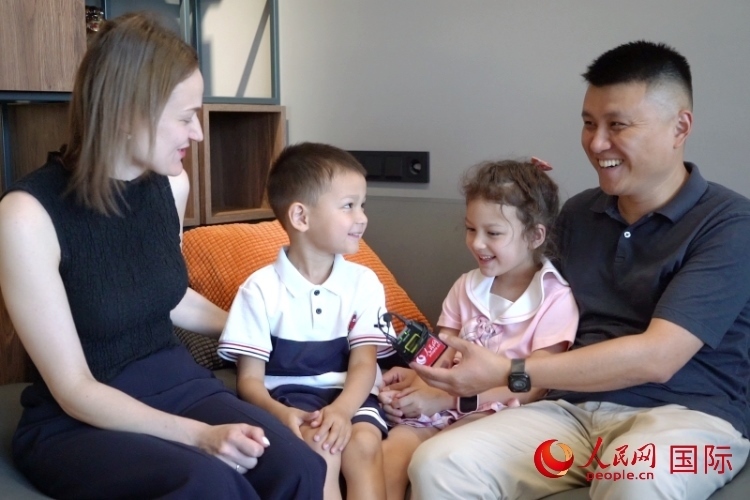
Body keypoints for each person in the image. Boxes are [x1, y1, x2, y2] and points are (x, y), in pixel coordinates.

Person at [405, 40, 750, 499]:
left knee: (635, 478)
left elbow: (658, 358)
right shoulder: (579, 214)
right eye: (589, 123)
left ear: (679, 127)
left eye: (617, 125)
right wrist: (524, 192)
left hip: (693, 420)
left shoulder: (730, 224)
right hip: (570, 415)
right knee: (440, 463)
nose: (597, 143)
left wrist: (509, 371)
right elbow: (520, 300)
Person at [0, 13, 325, 499]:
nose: (198, 133)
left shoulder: (171, 185)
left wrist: (261, 328)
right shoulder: (27, 216)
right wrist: (200, 436)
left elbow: (168, 297)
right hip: (79, 417)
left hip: (177, 381)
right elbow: (73, 389)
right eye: (185, 117)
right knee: (210, 483)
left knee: (298, 465)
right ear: (127, 113)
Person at [379, 158, 579, 500]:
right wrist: (413, 382)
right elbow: (441, 358)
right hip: (442, 402)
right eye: (471, 229)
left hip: (498, 409)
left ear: (535, 235)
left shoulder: (555, 299)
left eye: (493, 233)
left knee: (442, 456)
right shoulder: (466, 287)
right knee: (389, 455)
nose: (477, 243)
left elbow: (533, 388)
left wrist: (444, 399)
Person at [218, 142, 390, 500]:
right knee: (320, 448)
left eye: (363, 205)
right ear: (301, 217)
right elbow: (249, 381)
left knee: (363, 446)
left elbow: (364, 363)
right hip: (289, 400)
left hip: (351, 396)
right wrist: (281, 414)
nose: (362, 217)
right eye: (349, 206)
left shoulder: (364, 282)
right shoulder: (259, 290)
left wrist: (342, 410)